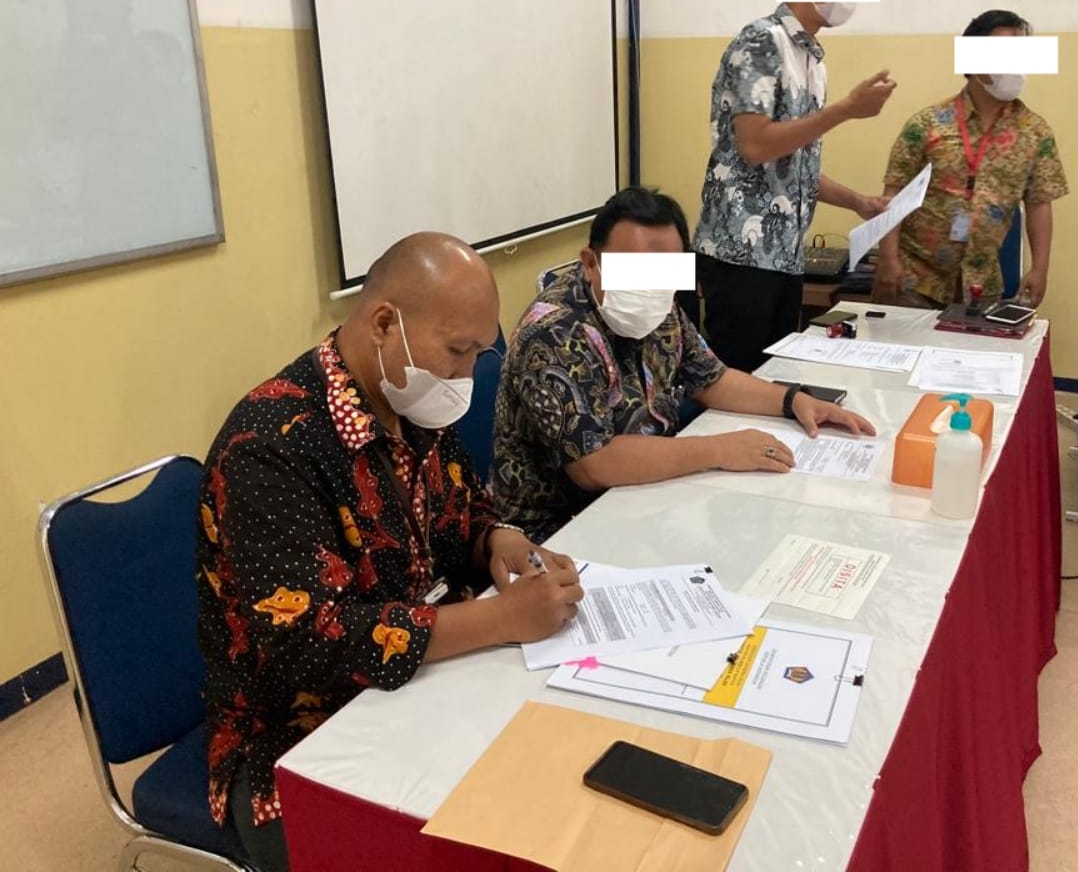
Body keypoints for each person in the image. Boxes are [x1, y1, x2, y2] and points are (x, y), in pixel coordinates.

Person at [196, 233, 583, 872]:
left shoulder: (411, 399)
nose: (464, 378)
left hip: (426, 687)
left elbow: (460, 510)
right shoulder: (269, 448)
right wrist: (499, 619)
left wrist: (497, 538)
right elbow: (309, 645)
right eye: (456, 352)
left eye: (478, 356)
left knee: (557, 792)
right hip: (300, 741)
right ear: (383, 323)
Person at [490, 187, 876, 543]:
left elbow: (712, 378)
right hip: (560, 531)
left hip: (645, 498)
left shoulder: (658, 302)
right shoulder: (555, 332)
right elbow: (595, 463)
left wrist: (793, 400)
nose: (650, 289)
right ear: (591, 263)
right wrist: (719, 450)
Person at [694, 0, 896, 373]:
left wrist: (857, 202)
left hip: (785, 256)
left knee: (775, 379)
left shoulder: (812, 60)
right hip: (741, 256)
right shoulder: (761, 41)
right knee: (738, 384)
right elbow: (755, 145)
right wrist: (845, 110)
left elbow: (791, 165)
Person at [872, 9, 1069, 309]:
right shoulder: (927, 124)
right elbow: (893, 194)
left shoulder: (1035, 132)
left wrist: (1040, 269)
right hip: (913, 280)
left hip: (981, 285)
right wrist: (887, 259)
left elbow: (1039, 202)